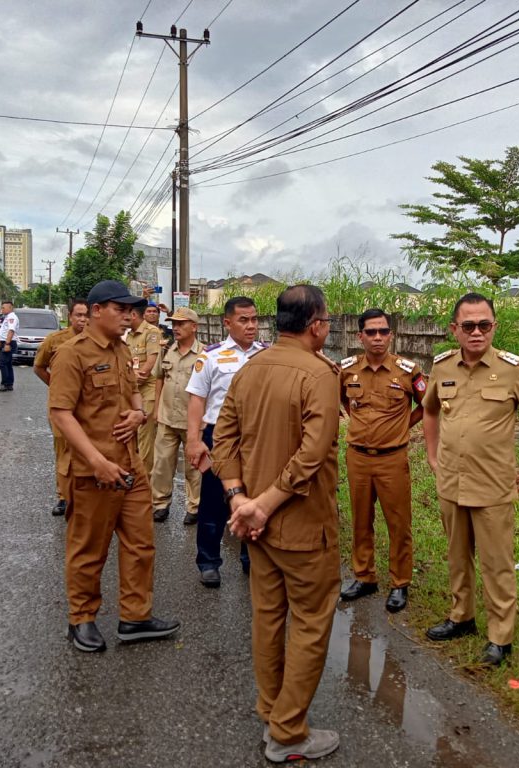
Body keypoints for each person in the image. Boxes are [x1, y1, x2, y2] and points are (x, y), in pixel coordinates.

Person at [213, 284, 341, 763]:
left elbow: (221, 437)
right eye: (326, 320)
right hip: (300, 525)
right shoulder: (320, 374)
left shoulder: (250, 369)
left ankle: (271, 708)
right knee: (309, 622)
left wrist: (238, 498)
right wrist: (261, 504)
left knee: (268, 616)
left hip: (255, 528)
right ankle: (288, 734)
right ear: (316, 325)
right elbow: (312, 453)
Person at [48, 279, 180, 653]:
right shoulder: (72, 354)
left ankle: (135, 617)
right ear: (96, 311)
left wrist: (139, 414)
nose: (128, 316)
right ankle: (82, 619)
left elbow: (133, 390)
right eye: (121, 310)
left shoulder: (122, 349)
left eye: (131, 311)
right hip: (95, 473)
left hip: (130, 467)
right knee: (89, 550)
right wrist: (96, 461)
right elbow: (61, 413)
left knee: (141, 545)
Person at [422, 292, 519, 666]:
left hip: (494, 485)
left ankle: (500, 636)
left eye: (484, 325)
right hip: (451, 482)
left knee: (497, 563)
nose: (477, 332)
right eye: (468, 326)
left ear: (493, 327)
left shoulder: (512, 369)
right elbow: (430, 410)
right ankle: (461, 616)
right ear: (454, 330)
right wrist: (432, 456)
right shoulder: (443, 367)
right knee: (457, 556)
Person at [338, 308, 425, 613]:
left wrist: (403, 427)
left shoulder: (408, 370)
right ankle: (365, 576)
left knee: (398, 523)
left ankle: (400, 583)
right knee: (361, 520)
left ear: (391, 334)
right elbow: (343, 400)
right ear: (359, 335)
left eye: (383, 332)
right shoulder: (347, 370)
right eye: (371, 332)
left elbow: (428, 405)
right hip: (358, 458)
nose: (378, 337)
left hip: (392, 459)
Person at [185, 296, 267, 588]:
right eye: (243, 320)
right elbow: (197, 400)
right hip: (219, 436)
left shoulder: (266, 355)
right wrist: (193, 441)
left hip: (257, 438)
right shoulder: (211, 356)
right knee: (213, 501)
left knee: (254, 496)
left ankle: (250, 557)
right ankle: (208, 561)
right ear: (227, 322)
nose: (251, 326)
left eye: (254, 319)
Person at [34, 299, 90, 516]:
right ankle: (64, 497)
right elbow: (38, 367)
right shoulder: (55, 340)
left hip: (87, 407)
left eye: (86, 315)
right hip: (61, 407)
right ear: (70, 317)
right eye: (78, 315)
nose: (83, 320)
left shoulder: (95, 341)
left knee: (86, 449)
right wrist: (58, 388)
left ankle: (84, 494)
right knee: (64, 451)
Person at [150, 306, 204, 524]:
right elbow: (159, 378)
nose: (176, 328)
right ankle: (160, 504)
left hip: (193, 422)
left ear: (194, 327)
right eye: (174, 323)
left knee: (194, 467)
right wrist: (155, 410)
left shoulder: (205, 354)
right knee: (162, 464)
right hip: (167, 417)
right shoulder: (167, 351)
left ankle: (195, 506)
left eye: (181, 323)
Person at [126, 302, 162, 472]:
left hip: (147, 390)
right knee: (131, 434)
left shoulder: (151, 332)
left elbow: (150, 362)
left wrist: (137, 377)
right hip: (132, 390)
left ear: (134, 315)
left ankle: (145, 479)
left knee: (145, 437)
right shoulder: (129, 335)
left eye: (127, 313)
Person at [0, 299, 18, 391]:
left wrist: (7, 344)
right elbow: (4, 332)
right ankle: (9, 384)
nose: (1, 309)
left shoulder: (12, 317)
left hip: (9, 343)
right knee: (8, 364)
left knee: (2, 364)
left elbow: (11, 331)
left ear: (10, 308)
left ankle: (4, 384)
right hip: (6, 342)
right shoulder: (7, 317)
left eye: (3, 308)